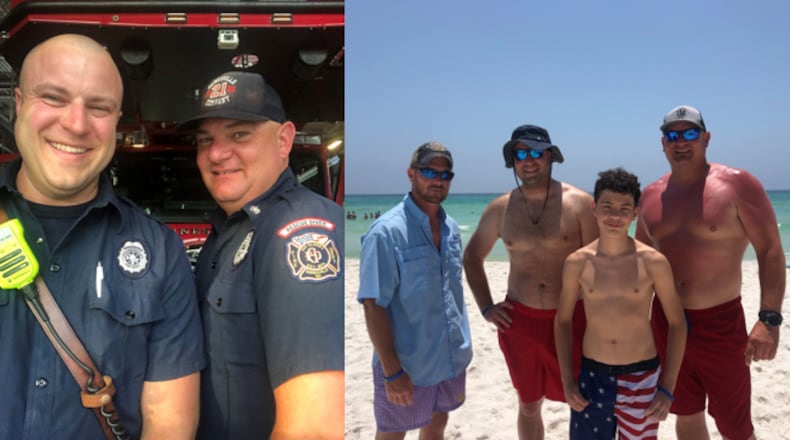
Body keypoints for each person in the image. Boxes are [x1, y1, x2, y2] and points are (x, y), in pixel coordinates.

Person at [0, 34, 205, 439]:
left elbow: (168, 424)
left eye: (98, 107)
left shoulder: (162, 252)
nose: (76, 124)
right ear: (19, 104)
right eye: (54, 98)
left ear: (116, 120)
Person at [178, 71, 344, 439]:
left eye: (239, 134)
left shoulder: (298, 234)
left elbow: (314, 428)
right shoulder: (231, 230)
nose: (216, 153)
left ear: (284, 140)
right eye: (205, 140)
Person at [635, 104, 786, 440]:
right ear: (662, 143)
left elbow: (770, 250)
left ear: (706, 138)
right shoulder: (650, 196)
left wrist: (769, 319)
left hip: (719, 323)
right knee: (685, 413)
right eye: (672, 135)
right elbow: (641, 265)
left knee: (736, 426)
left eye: (690, 133)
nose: (681, 142)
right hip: (666, 322)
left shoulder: (738, 185)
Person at [463, 124, 598, 439]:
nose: (529, 160)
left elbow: (600, 262)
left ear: (550, 156)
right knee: (528, 404)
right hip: (520, 321)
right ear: (512, 161)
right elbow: (471, 257)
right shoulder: (500, 209)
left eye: (536, 152)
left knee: (583, 400)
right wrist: (486, 307)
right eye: (521, 154)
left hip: (573, 317)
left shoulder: (579, 203)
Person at [555, 167, 687, 439]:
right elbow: (563, 320)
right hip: (592, 376)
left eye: (624, 209)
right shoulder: (577, 262)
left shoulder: (653, 262)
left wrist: (667, 387)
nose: (614, 216)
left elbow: (677, 323)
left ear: (635, 213)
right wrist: (568, 381)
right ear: (594, 209)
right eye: (607, 207)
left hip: (642, 377)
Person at [358, 142, 472, 440]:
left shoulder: (452, 229)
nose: (438, 180)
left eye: (445, 174)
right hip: (408, 364)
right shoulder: (386, 232)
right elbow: (373, 304)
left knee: (437, 423)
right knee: (393, 433)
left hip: (449, 358)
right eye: (429, 172)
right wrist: (392, 371)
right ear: (411, 174)